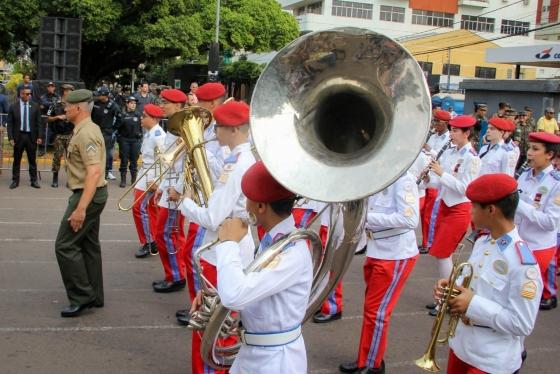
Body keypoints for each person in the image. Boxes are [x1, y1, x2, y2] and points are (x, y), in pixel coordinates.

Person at [435, 173, 542, 374]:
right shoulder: (483, 242)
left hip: (491, 361)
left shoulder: (523, 263)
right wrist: (450, 290)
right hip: (462, 347)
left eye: (474, 206)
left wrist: (472, 303)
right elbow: (469, 284)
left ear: (491, 210)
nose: (470, 210)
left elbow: (522, 324)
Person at [214, 160, 313, 374]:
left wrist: (228, 242)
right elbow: (254, 287)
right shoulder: (274, 241)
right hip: (257, 352)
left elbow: (234, 296)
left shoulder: (291, 252)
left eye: (247, 200)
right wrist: (213, 297)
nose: (244, 206)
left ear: (260, 207)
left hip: (276, 361)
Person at [180, 100, 256, 374]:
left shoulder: (237, 163)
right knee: (226, 324)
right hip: (238, 247)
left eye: (219, 126)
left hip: (221, 250)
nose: (214, 132)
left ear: (234, 129)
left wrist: (186, 203)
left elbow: (213, 218)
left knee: (210, 328)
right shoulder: (244, 159)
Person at [339, 171, 419, 374]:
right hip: (378, 248)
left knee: (377, 312)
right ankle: (366, 358)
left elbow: (410, 219)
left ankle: (372, 365)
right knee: (372, 310)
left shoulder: (403, 179)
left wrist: (365, 217)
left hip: (395, 253)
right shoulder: (378, 176)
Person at [54, 89, 108, 317]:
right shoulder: (84, 129)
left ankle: (81, 296)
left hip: (88, 194)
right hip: (91, 192)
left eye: (67, 105)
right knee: (88, 245)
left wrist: (81, 208)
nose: (64, 109)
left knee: (65, 245)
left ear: (79, 108)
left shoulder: (86, 133)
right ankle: (94, 295)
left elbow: (94, 172)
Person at [425, 115, 481, 316]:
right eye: (452, 130)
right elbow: (439, 181)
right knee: (442, 254)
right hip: (444, 205)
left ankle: (448, 299)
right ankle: (445, 297)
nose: (452, 134)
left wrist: (441, 174)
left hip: (458, 208)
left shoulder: (472, 158)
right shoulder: (450, 152)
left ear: (467, 133)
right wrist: (427, 178)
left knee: (442, 254)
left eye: (456, 131)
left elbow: (466, 189)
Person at [515, 132, 560, 310]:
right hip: (518, 242)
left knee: (523, 300)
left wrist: (519, 204)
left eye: (535, 149)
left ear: (549, 155)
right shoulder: (524, 175)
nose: (530, 153)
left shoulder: (556, 183)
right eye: (529, 148)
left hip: (537, 247)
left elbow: (550, 222)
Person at [152, 89, 188, 293]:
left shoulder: (183, 129)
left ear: (179, 107)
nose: (162, 105)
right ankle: (174, 273)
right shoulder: (172, 129)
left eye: (167, 103)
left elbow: (188, 166)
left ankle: (176, 276)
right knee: (168, 233)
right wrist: (162, 187)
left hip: (176, 191)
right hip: (170, 188)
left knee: (166, 233)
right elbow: (170, 164)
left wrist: (177, 189)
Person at [131, 104, 166, 258]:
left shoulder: (158, 135)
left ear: (153, 119)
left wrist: (157, 181)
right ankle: (153, 239)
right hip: (145, 171)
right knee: (148, 209)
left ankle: (149, 242)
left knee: (140, 208)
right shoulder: (150, 133)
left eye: (144, 116)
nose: (141, 118)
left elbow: (166, 161)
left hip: (151, 175)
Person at [420, 109, 450, 254]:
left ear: (445, 123)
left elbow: (443, 158)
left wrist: (429, 149)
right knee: (423, 214)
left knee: (429, 215)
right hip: (427, 178)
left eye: (437, 121)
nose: (434, 124)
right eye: (434, 121)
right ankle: (426, 241)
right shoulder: (433, 136)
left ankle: (428, 243)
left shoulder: (448, 138)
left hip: (437, 180)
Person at [7, 86, 43, 189]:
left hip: (31, 137)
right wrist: (10, 138)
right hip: (18, 137)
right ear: (21, 94)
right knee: (16, 160)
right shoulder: (13, 106)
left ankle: (34, 180)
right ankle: (15, 180)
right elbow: (10, 123)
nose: (29, 96)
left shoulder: (35, 106)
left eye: (30, 94)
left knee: (32, 160)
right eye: (27, 94)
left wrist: (40, 136)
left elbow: (39, 123)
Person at [47, 84, 75, 187]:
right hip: (59, 135)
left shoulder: (74, 105)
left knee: (71, 159)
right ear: (64, 92)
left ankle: (71, 180)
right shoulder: (55, 104)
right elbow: (48, 118)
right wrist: (58, 117)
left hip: (71, 135)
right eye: (68, 91)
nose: (70, 93)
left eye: (71, 91)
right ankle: (55, 179)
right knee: (57, 158)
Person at [92, 86, 121, 180]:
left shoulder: (113, 106)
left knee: (107, 153)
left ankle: (106, 172)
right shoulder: (95, 103)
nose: (98, 96)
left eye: (100, 95)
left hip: (106, 132)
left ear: (105, 96)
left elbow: (120, 118)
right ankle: (94, 171)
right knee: (93, 151)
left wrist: (113, 129)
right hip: (95, 131)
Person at [117, 96, 142, 188]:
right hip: (124, 140)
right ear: (127, 104)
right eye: (131, 103)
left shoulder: (138, 115)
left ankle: (133, 180)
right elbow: (117, 127)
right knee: (124, 160)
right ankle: (123, 180)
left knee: (134, 160)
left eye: (134, 103)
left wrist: (140, 137)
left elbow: (141, 127)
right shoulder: (122, 114)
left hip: (135, 140)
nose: (133, 105)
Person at [38, 81, 60, 154]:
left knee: (56, 133)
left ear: (54, 88)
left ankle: (57, 149)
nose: (51, 88)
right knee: (46, 132)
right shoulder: (43, 96)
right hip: (46, 118)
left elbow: (58, 104)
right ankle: (42, 149)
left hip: (56, 117)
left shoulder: (57, 96)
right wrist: (53, 104)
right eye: (49, 86)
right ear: (47, 88)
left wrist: (49, 105)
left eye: (52, 86)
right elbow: (43, 103)